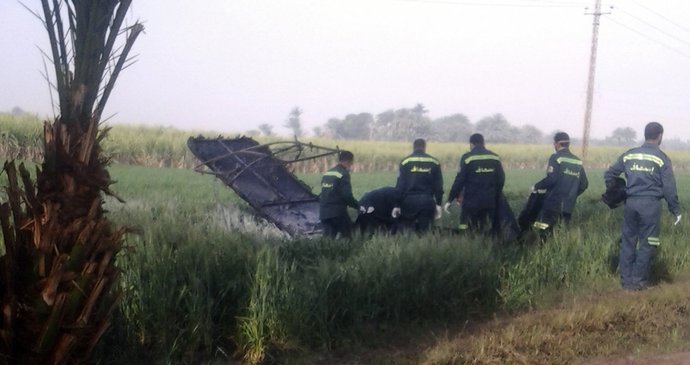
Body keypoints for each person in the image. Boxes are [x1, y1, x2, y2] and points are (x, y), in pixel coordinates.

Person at [604, 122, 681, 291]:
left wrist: (617, 189)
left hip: (630, 203)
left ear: (645, 134)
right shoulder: (661, 158)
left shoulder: (629, 155)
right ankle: (638, 282)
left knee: (628, 242)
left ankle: (626, 283)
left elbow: (609, 174)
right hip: (650, 205)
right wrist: (675, 210)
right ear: (659, 136)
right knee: (648, 242)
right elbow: (669, 188)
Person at [445, 133, 505, 234]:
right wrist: (496, 194)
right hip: (489, 201)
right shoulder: (495, 157)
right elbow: (501, 179)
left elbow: (459, 180)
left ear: (471, 144)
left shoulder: (467, 158)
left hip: (471, 202)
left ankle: (469, 246)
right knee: (486, 228)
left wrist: (450, 199)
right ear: (483, 143)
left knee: (466, 228)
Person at [532, 132, 588, 238]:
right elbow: (584, 184)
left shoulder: (556, 158)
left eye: (554, 143)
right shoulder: (577, 161)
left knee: (542, 231)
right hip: (568, 206)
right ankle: (560, 252)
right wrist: (573, 195)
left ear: (557, 144)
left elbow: (551, 179)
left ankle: (541, 252)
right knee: (561, 234)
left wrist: (536, 186)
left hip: (552, 204)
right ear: (568, 144)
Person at [393, 138, 444, 233]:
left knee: (407, 233)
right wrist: (438, 204)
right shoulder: (434, 162)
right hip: (427, 202)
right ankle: (423, 247)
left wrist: (397, 205)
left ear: (413, 147)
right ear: (425, 148)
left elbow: (400, 186)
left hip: (408, 202)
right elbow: (439, 186)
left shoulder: (405, 162)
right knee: (425, 233)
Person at [319, 150, 359, 239]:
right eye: (351, 162)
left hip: (324, 212)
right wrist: (358, 206)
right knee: (349, 236)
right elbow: (347, 196)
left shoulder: (328, 173)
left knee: (328, 240)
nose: (351, 165)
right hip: (337, 213)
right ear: (348, 161)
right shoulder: (343, 174)